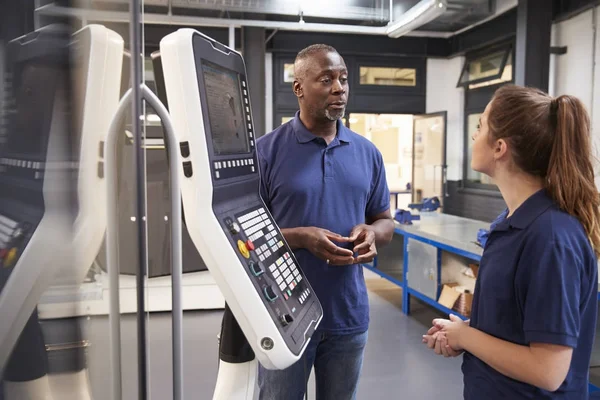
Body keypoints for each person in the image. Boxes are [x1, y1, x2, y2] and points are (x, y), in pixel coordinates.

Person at [422, 84, 599, 399]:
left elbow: (548, 371)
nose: (475, 137)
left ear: (499, 147)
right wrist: (461, 335)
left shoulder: (551, 238)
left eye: (480, 128)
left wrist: (466, 336)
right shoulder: (510, 223)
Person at [255, 44, 395, 399]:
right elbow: (243, 238)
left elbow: (385, 221)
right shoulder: (266, 152)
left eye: (344, 79)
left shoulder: (367, 153)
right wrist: (301, 237)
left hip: (347, 315)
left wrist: (372, 233)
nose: (339, 88)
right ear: (299, 88)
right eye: (326, 79)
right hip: (284, 315)